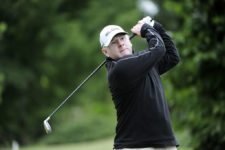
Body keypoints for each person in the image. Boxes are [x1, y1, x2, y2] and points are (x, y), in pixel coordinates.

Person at [99, 17, 180, 150]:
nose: (120, 44)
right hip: (134, 145)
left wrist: (156, 26)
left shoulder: (144, 61)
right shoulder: (119, 69)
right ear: (106, 52)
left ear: (129, 41)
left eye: (122, 38)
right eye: (114, 42)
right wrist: (146, 29)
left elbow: (172, 57)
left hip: (164, 141)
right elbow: (158, 49)